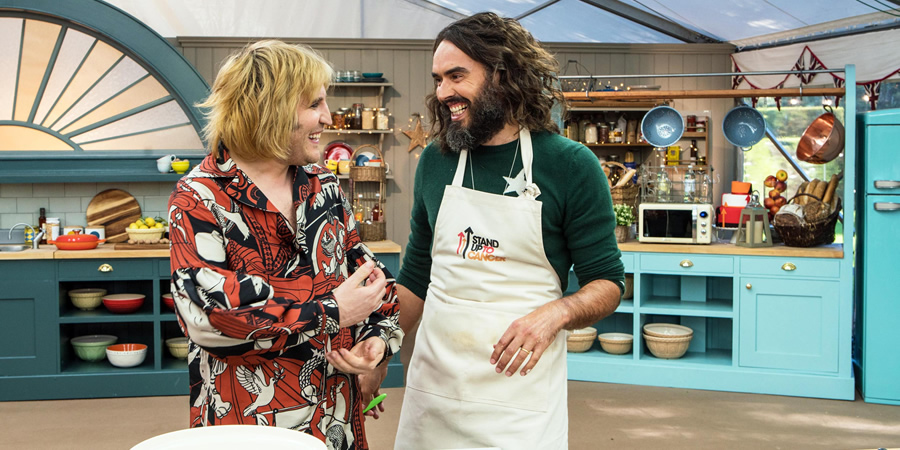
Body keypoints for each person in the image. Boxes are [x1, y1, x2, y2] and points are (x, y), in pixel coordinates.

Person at [392, 13, 625, 449]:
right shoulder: (436, 162)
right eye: (438, 79)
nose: (443, 93)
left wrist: (554, 315)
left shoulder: (570, 165)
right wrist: (378, 346)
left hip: (519, 396)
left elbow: (608, 283)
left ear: (503, 74)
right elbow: (416, 277)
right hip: (435, 389)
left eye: (457, 76)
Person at [167, 40, 402, 450]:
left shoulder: (323, 185)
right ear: (269, 108)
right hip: (244, 426)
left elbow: (372, 280)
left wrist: (376, 341)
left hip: (335, 421)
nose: (327, 118)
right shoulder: (199, 198)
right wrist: (332, 311)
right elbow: (209, 319)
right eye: (314, 104)